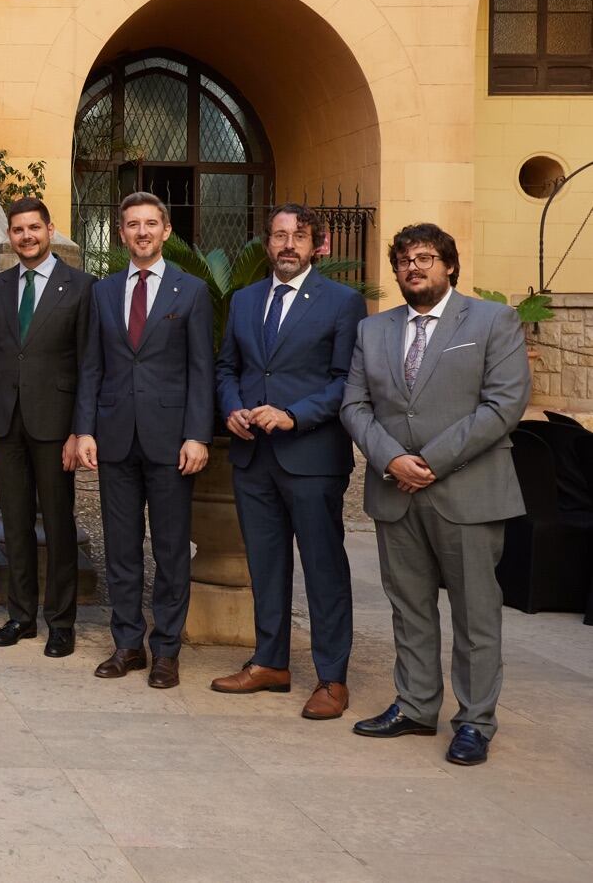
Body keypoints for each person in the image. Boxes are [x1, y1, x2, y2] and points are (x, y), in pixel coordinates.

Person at [342, 223, 529, 766]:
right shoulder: (372, 331)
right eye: (403, 260)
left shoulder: (493, 320)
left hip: (467, 492)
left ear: (449, 265)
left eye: (425, 257)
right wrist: (391, 458)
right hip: (395, 491)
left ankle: (474, 721)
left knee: (475, 614)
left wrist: (431, 461)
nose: (413, 267)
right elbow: (354, 406)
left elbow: (504, 404)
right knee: (410, 607)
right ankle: (416, 705)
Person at [212, 204, 367, 718]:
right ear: (266, 243)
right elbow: (227, 367)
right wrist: (232, 407)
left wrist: (293, 416)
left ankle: (331, 678)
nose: (286, 244)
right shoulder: (243, 300)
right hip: (253, 457)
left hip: (312, 457)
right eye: (278, 235)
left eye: (297, 236)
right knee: (266, 564)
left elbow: (346, 381)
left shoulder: (343, 303)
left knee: (323, 567)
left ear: (316, 245)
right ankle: (270, 662)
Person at [72, 191, 213, 690]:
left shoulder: (191, 292)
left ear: (167, 231)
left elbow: (202, 371)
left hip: (172, 441)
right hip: (113, 438)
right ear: (121, 232)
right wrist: (84, 428)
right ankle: (127, 643)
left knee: (171, 548)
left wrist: (198, 435)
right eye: (132, 224)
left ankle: (167, 651)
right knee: (122, 548)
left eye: (151, 224)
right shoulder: (103, 291)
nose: (142, 232)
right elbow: (91, 366)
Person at [0, 198, 93, 658]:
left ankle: (61, 622)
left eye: (34, 229)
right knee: (16, 523)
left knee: (58, 525)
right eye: (18, 230)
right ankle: (20, 616)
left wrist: (80, 431)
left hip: (55, 425)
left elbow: (88, 365)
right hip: (4, 422)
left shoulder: (80, 287)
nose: (26, 237)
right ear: (10, 234)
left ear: (50, 229)